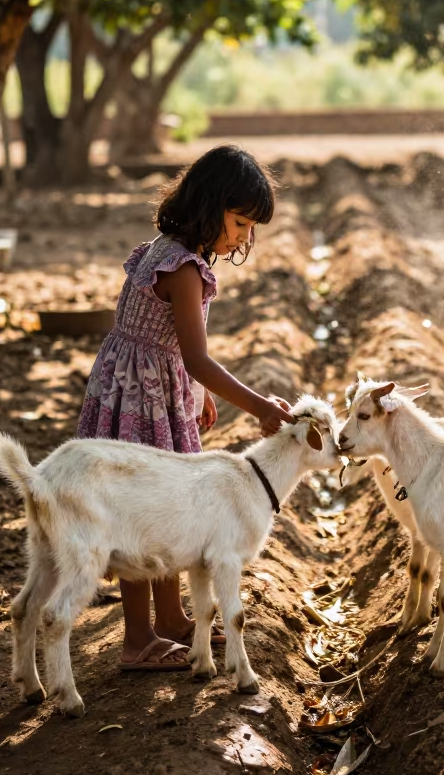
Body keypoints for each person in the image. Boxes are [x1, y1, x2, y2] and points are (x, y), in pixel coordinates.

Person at [77, 145, 294, 671]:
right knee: (141, 516)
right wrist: (260, 406)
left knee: (164, 509)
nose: (245, 237)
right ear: (211, 205)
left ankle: (172, 621)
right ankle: (137, 640)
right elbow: (196, 356)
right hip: (142, 399)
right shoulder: (183, 270)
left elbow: (176, 348)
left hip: (139, 386)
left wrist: (196, 396)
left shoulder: (164, 250)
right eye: (240, 222)